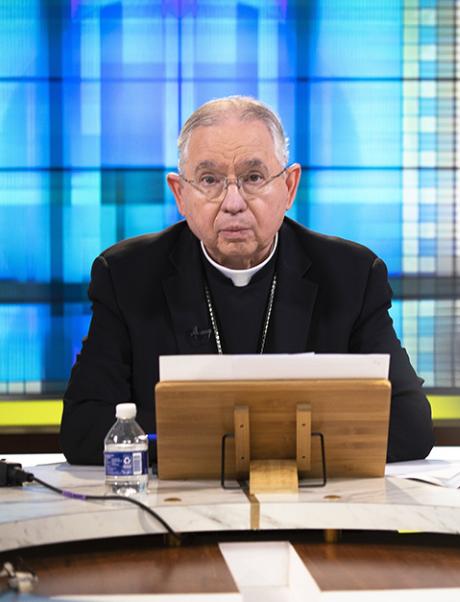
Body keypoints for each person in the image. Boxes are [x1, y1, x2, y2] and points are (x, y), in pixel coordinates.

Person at [60, 96, 434, 465]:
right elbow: (84, 429)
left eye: (253, 177)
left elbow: (410, 425)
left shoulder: (351, 276)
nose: (233, 201)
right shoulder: (126, 276)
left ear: (289, 187)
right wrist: (261, 443)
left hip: (315, 515)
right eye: (209, 179)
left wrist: (209, 442)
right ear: (180, 194)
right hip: (177, 515)